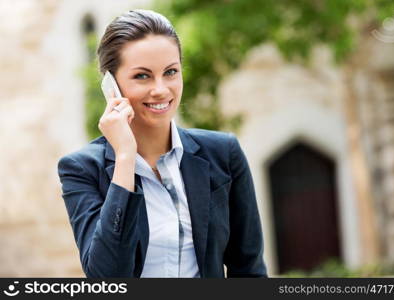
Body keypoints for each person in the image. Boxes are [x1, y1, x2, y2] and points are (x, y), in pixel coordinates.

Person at [57, 9, 267, 278]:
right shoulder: (82, 169)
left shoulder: (223, 153)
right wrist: (124, 158)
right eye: (142, 76)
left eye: (170, 72)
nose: (161, 89)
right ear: (111, 85)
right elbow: (106, 278)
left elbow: (249, 269)